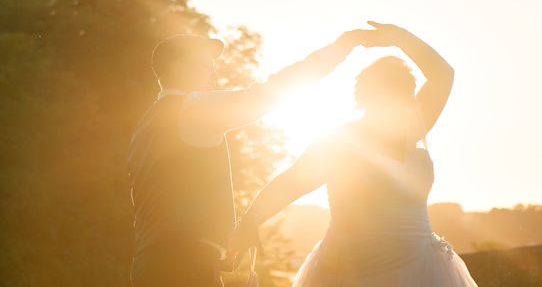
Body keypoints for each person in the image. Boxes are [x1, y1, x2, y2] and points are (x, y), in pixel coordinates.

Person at [231, 21, 478, 286]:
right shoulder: (341, 142)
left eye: (403, 95)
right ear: (365, 97)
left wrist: (399, 37)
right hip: (351, 272)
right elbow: (291, 182)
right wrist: (250, 222)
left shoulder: (413, 128)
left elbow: (443, 74)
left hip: (420, 268)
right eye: (389, 94)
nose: (399, 103)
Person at [128, 29, 369, 287]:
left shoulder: (143, 129)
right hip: (185, 265)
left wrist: (213, 245)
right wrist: (342, 47)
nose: (213, 72)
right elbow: (269, 94)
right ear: (177, 68)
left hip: (150, 264)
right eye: (205, 64)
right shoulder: (194, 108)